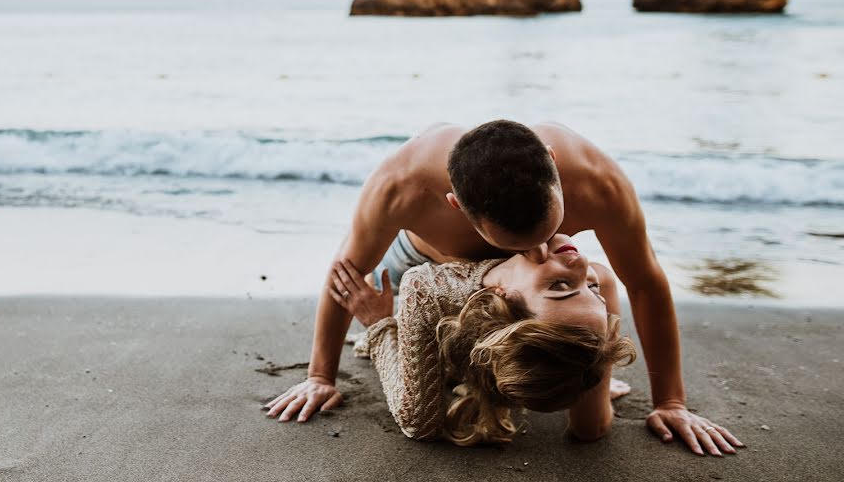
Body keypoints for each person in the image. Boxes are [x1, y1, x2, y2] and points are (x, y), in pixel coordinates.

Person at [264, 120, 744, 456]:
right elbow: (344, 273)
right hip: (422, 262)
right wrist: (320, 375)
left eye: (548, 228)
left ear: (553, 166)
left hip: (527, 296)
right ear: (456, 205)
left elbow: (645, 282)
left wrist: (670, 402)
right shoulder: (404, 183)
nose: (541, 247)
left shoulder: (597, 183)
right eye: (521, 242)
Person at [329, 233, 641, 445]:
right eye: (592, 288)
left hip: (427, 299)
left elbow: (417, 422)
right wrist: (581, 365)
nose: (585, 265)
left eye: (561, 285)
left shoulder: (431, 289)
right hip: (409, 255)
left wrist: (379, 323)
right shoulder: (429, 288)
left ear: (501, 297)